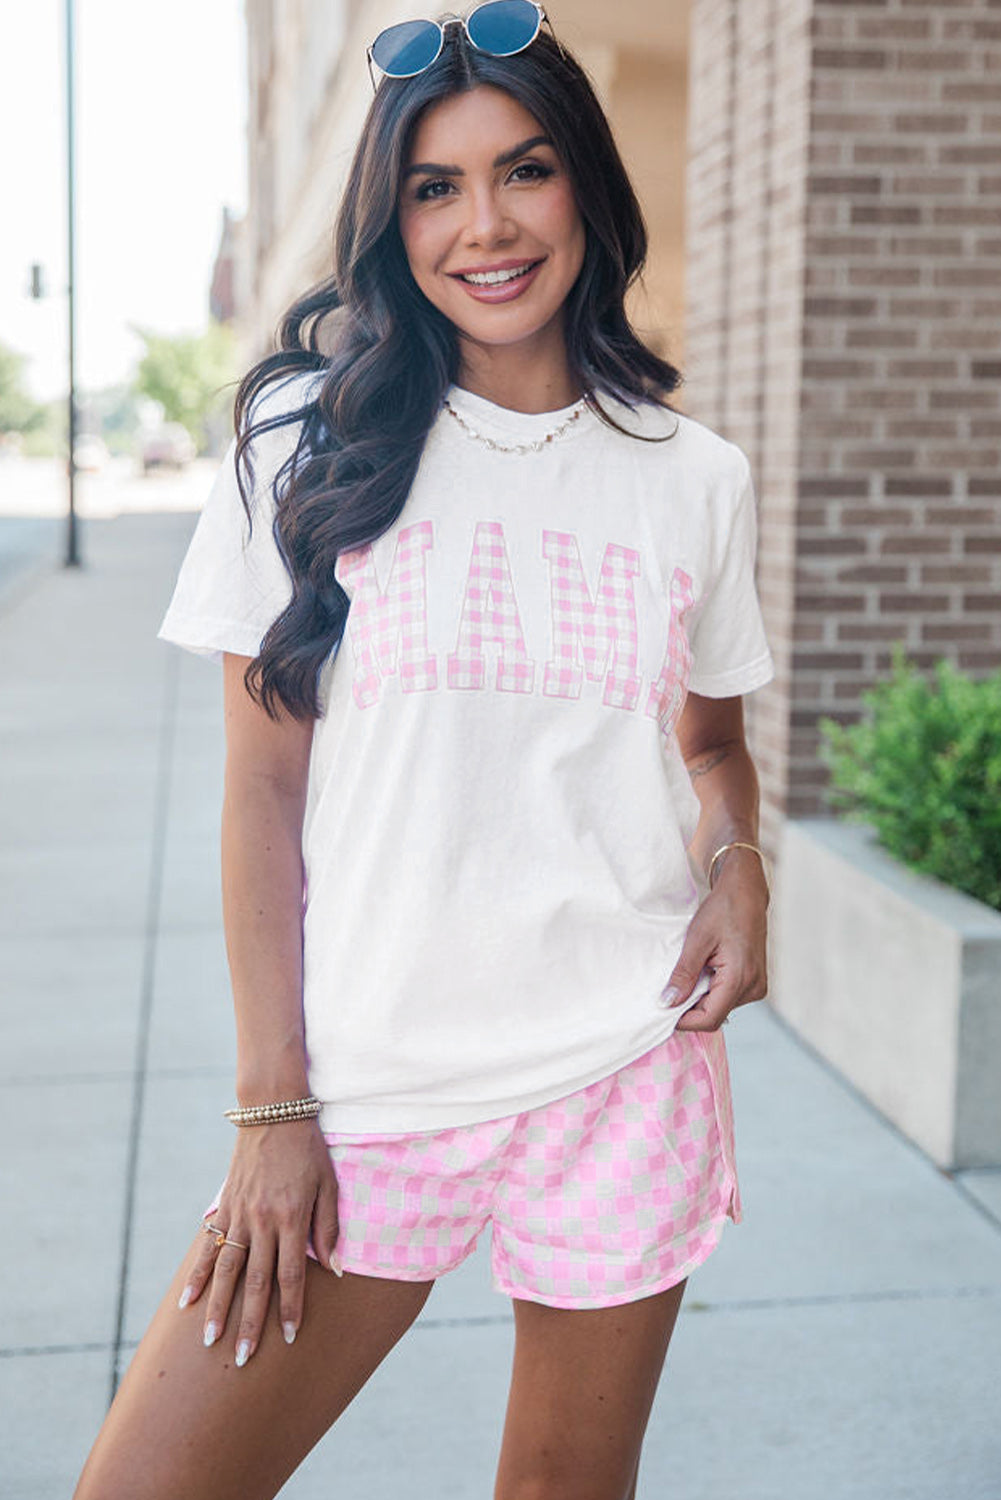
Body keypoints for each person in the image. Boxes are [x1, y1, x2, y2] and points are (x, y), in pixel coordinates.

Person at [73, 5, 775, 1497]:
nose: (487, 225)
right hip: (365, 1093)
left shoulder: (692, 477)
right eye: (434, 188)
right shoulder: (302, 443)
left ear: (584, 180)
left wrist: (740, 866)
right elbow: (262, 794)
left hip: (619, 1069)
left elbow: (708, 743)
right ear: (391, 222)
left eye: (522, 170)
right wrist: (274, 1110)